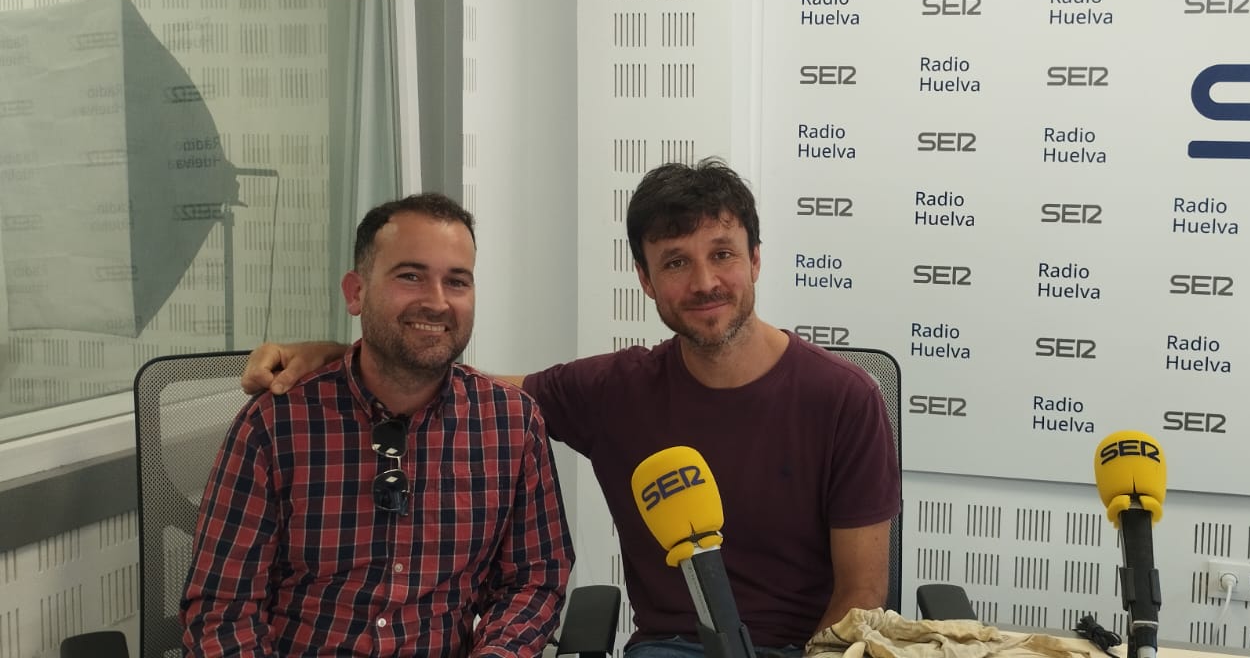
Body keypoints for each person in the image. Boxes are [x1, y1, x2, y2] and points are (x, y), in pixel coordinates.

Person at [242, 159, 900, 658]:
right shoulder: (615, 390)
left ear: (756, 261)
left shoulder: (843, 399)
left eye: (722, 255)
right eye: (675, 262)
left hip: (808, 649)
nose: (703, 282)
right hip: (673, 646)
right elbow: (449, 380)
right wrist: (341, 353)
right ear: (645, 281)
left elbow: (860, 597)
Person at [183, 193, 573, 657]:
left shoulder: (510, 424)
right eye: (410, 276)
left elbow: (533, 581)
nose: (437, 302)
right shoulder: (275, 425)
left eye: (457, 282)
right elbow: (222, 612)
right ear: (356, 292)